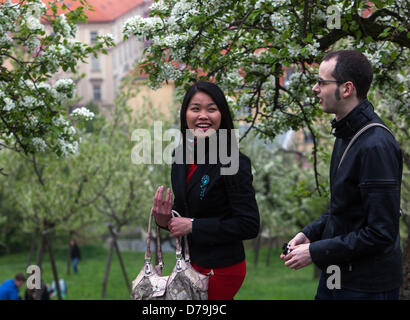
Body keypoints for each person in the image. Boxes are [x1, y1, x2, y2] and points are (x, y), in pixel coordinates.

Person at [281, 50, 403, 300]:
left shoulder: (375, 145)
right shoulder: (346, 135)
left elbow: (380, 233)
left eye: (322, 82)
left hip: (365, 288)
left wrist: (315, 251)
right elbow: (344, 209)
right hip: (338, 278)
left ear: (347, 89)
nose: (315, 89)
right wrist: (309, 233)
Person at [152, 81, 260, 300]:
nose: (203, 115)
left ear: (222, 116)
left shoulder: (233, 162)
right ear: (185, 115)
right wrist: (165, 220)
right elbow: (186, 210)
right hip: (191, 264)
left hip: (222, 268)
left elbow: (248, 225)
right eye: (195, 109)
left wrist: (193, 226)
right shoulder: (179, 156)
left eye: (211, 109)